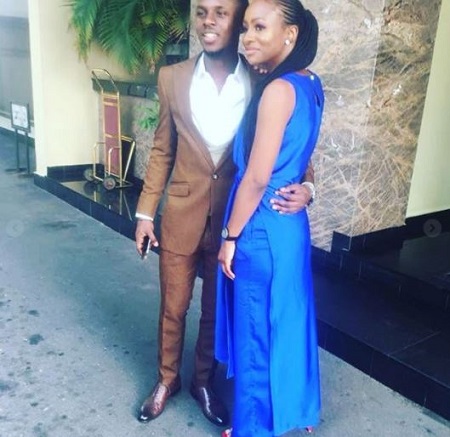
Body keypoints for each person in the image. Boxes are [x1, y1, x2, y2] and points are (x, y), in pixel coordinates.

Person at [134, 0, 316, 428]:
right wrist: (145, 213)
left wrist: (308, 187)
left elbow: (293, 145)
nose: (208, 22)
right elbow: (162, 150)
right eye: (201, 12)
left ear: (237, 22)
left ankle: (203, 381)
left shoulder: (262, 78)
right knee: (173, 307)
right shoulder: (172, 77)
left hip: (235, 223)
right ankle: (166, 380)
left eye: (221, 12)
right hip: (181, 213)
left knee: (216, 312)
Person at [215, 0, 324, 436]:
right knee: (289, 322)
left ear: (290, 35)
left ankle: (253, 428)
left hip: (260, 227)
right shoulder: (309, 83)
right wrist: (309, 188)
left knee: (256, 331)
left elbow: (257, 178)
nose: (247, 37)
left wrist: (229, 236)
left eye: (260, 27)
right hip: (290, 228)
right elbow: (302, 155)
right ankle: (293, 412)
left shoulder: (278, 91)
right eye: (245, 27)